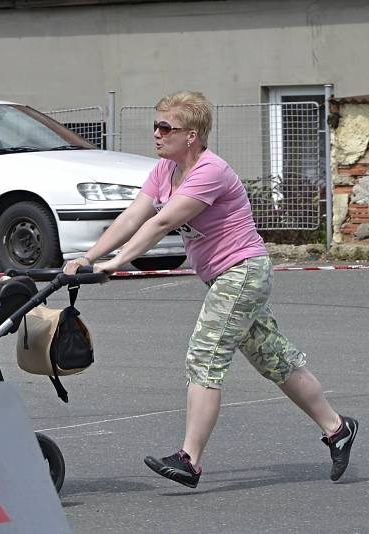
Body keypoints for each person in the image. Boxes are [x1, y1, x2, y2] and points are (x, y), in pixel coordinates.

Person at [63, 90, 358, 488]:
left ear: (192, 135)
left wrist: (115, 263)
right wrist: (88, 256)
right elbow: (134, 215)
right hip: (226, 276)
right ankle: (337, 427)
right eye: (156, 124)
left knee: (206, 355)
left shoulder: (210, 171)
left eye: (166, 127)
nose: (156, 133)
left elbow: (161, 223)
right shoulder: (165, 170)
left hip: (242, 272)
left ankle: (190, 460)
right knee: (275, 359)